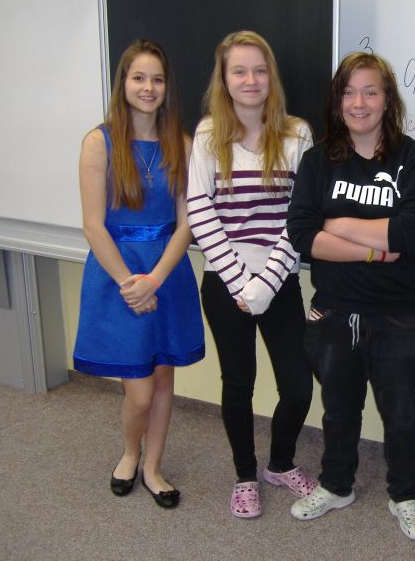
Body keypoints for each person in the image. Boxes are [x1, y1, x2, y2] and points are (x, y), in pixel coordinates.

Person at [287, 52, 415, 541]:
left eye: (370, 91)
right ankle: (336, 485)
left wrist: (338, 224)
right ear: (337, 101)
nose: (359, 102)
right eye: (349, 92)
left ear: (387, 99)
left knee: (402, 414)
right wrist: (374, 249)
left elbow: (413, 232)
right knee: (338, 410)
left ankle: (405, 495)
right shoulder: (318, 160)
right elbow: (303, 235)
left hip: (399, 317)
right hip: (334, 311)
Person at [186, 31, 316, 519]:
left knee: (298, 385)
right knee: (238, 383)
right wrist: (242, 282)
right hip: (225, 281)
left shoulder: (297, 134)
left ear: (271, 77)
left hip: (279, 279)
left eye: (260, 70)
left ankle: (280, 464)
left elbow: (300, 216)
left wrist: (266, 283)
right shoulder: (207, 135)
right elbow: (200, 212)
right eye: (239, 71)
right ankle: (245, 474)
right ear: (223, 79)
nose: (250, 80)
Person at [73, 40, 205, 509]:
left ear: (167, 87)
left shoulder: (182, 144)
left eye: (157, 79)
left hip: (166, 273)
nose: (148, 88)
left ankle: (153, 467)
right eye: (139, 78)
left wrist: (155, 280)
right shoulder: (99, 142)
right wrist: (132, 283)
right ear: (123, 83)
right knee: (141, 390)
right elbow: (93, 225)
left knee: (164, 379)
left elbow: (187, 223)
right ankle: (130, 452)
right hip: (118, 276)